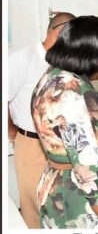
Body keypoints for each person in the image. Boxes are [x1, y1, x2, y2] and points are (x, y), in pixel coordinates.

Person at [31, 15, 98, 228]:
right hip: (84, 203)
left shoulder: (52, 77)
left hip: (61, 185)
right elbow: (93, 180)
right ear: (96, 57)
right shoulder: (76, 96)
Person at [8, 12, 76, 228]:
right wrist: (13, 133)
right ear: (61, 31)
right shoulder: (23, 59)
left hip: (59, 143)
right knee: (35, 206)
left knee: (61, 206)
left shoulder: (61, 63)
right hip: (32, 143)